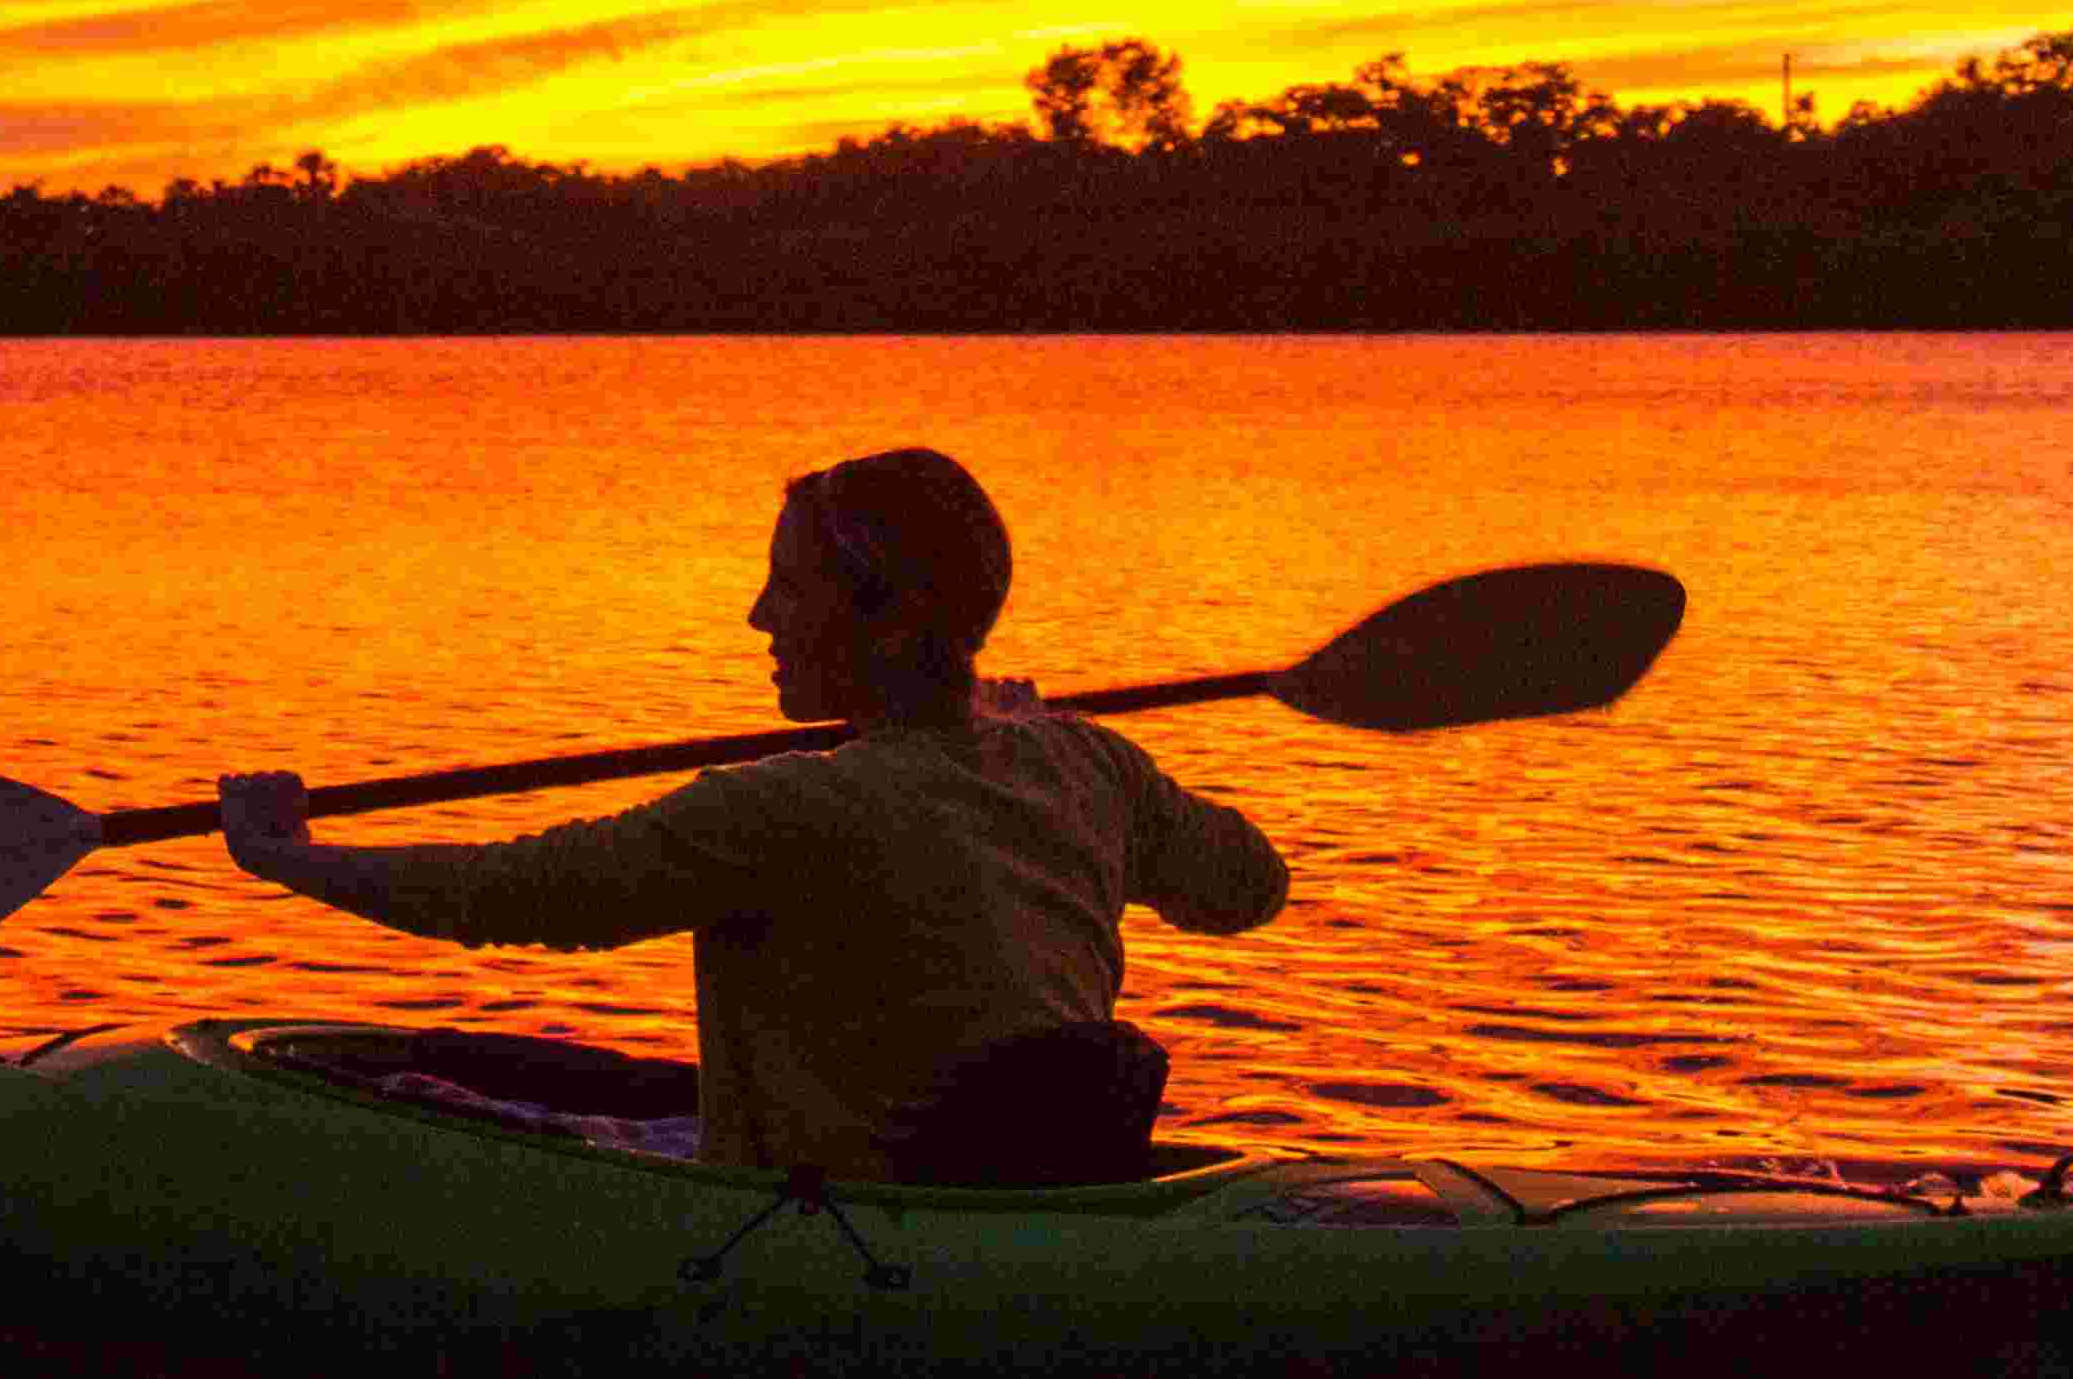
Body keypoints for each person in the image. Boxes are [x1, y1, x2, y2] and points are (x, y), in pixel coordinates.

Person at [214, 448, 1286, 1184]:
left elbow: (512, 894)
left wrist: (289, 857)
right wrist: (1046, 744)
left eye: (791, 587)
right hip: (1026, 1181)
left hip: (853, 1213)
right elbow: (1250, 887)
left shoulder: (790, 806)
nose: (759, 616)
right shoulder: (1084, 763)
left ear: (889, 615)